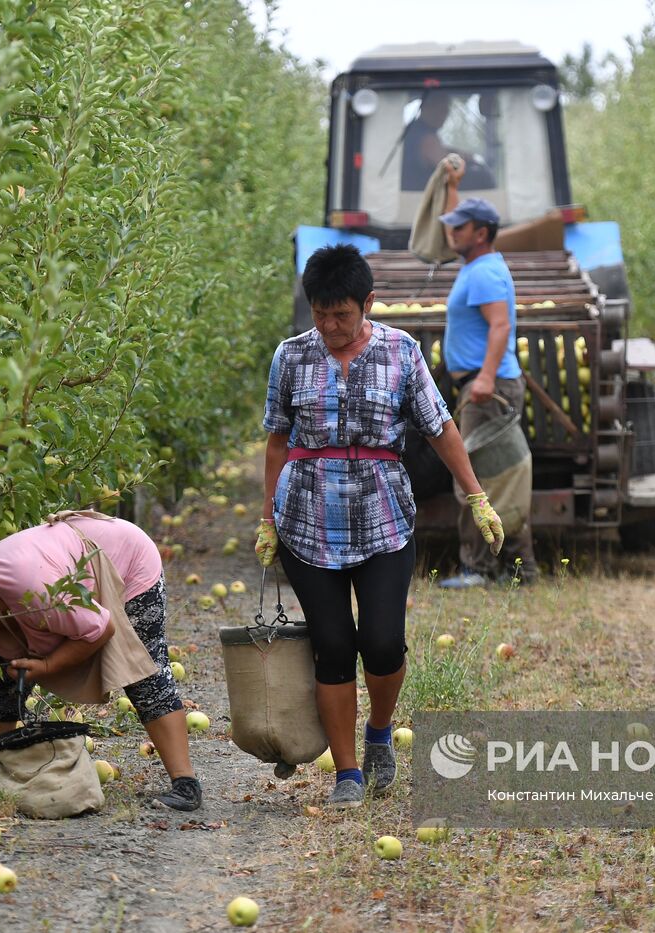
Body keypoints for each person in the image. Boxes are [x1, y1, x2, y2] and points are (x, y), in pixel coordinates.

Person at [255, 244, 504, 809]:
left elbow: (440, 427)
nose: (330, 325)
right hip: (308, 519)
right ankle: (347, 772)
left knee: (384, 641)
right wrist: (268, 518)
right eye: (320, 314)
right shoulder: (291, 356)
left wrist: (476, 495)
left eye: (342, 314)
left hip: (384, 517)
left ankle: (379, 733)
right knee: (334, 645)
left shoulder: (402, 352)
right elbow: (276, 439)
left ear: (368, 303)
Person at [0, 513, 203, 812]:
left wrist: (48, 666)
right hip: (58, 569)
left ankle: (185, 783)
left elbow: (100, 628)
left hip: (124, 559)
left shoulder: (37, 592)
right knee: (1, 674)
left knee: (144, 670)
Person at [435, 183, 538, 589]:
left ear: (481, 233)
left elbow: (500, 326)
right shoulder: (476, 266)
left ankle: (478, 569)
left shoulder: (486, 272)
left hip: (487, 392)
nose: (452, 234)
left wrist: (485, 377)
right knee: (496, 478)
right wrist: (451, 188)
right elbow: (450, 225)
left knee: (476, 482)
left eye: (460, 228)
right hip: (482, 388)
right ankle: (520, 568)